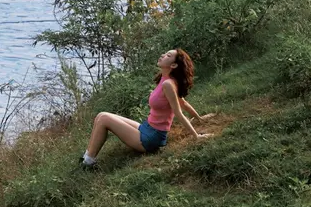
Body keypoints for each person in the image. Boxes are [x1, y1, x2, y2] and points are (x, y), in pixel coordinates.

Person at [80, 48, 214, 168]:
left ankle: (88, 162)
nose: (162, 55)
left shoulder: (168, 84)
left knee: (104, 118)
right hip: (146, 128)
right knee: (101, 115)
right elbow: (184, 103)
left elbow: (178, 111)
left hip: (151, 138)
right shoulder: (165, 79)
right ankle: (87, 156)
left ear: (173, 65)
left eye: (168, 56)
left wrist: (196, 136)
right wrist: (199, 118)